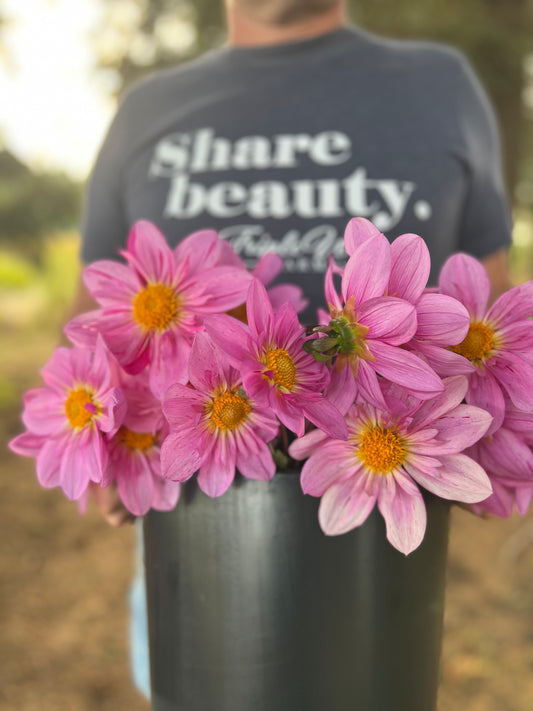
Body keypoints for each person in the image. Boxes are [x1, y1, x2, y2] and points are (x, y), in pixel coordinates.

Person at [68, 0, 513, 697]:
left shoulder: (440, 83)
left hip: (377, 574)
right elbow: (93, 330)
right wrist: (111, 445)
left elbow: (485, 325)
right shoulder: (146, 108)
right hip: (196, 562)